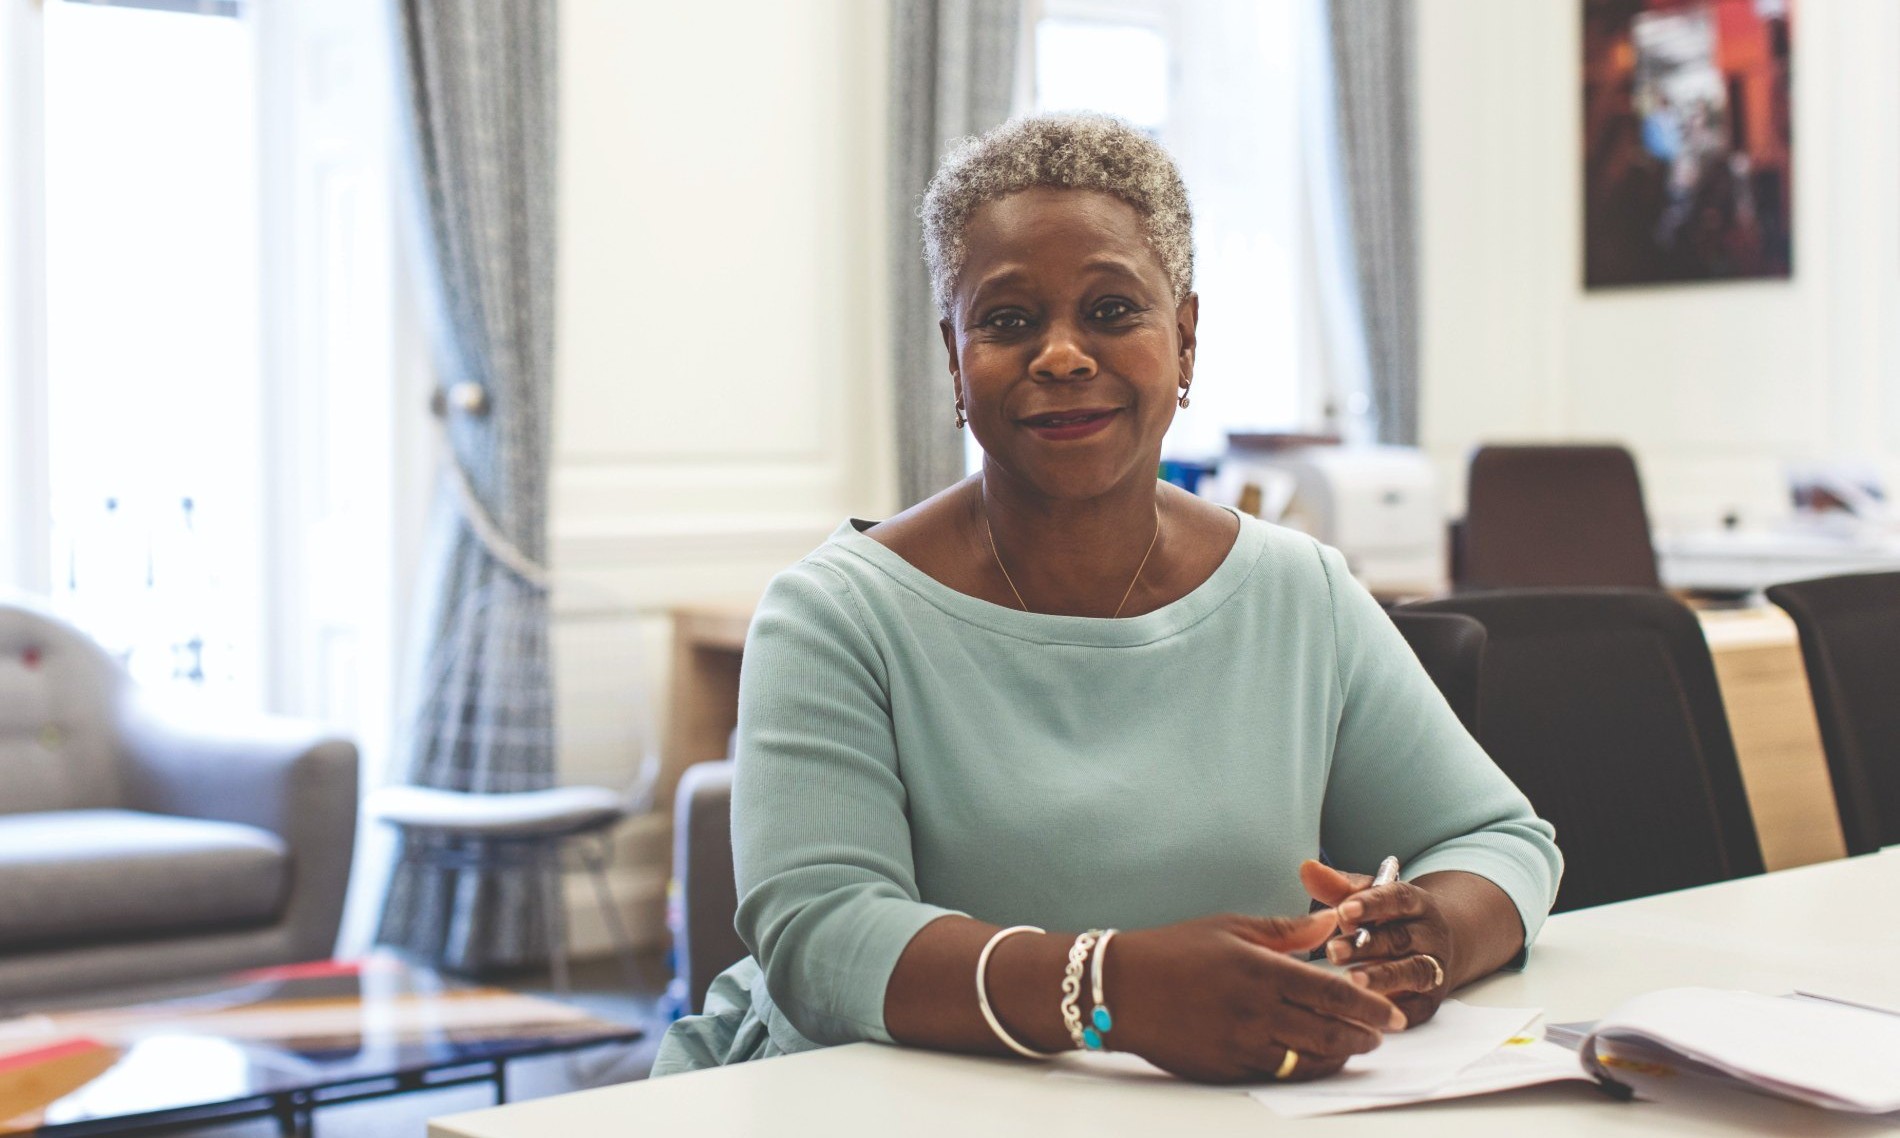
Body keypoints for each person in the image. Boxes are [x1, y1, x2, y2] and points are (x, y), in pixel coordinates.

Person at [655, 113, 1561, 1084]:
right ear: (954, 358)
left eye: (1110, 309)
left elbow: (1498, 840)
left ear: (1185, 335)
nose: (1060, 355)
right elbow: (820, 936)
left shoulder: (1298, 589)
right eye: (1006, 320)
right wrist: (1104, 989)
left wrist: (1430, 938)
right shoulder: (837, 613)